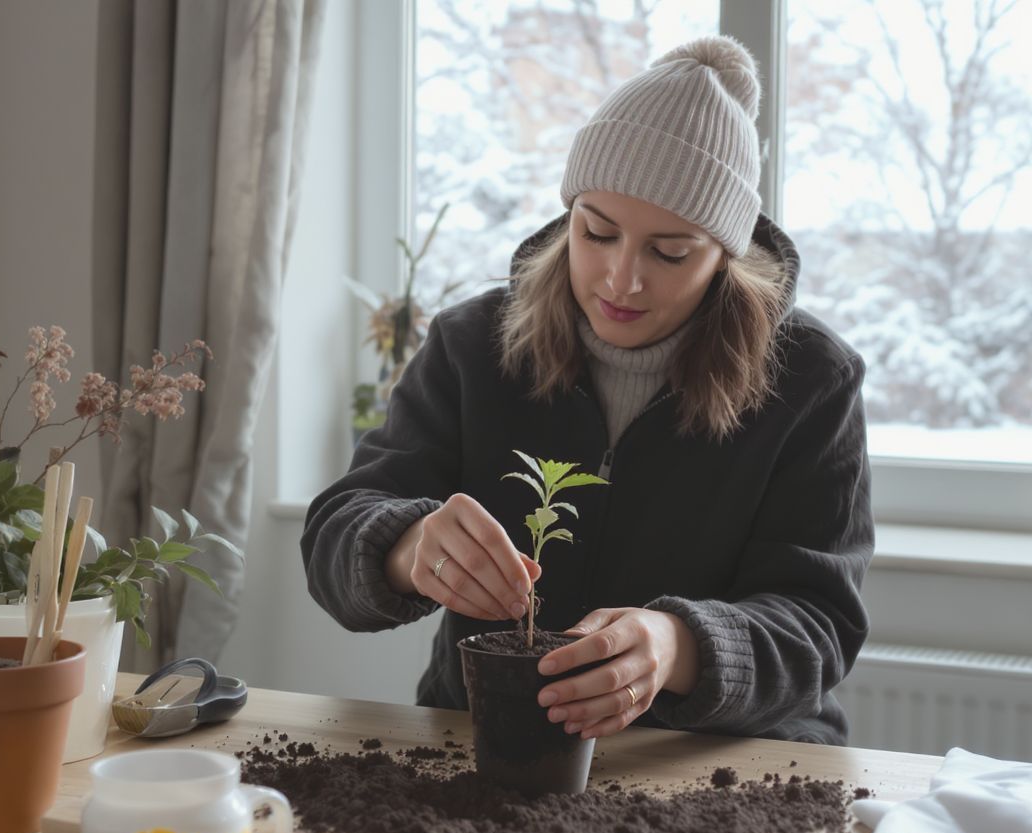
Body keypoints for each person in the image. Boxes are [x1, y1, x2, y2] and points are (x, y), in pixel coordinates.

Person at [303, 35, 872, 746]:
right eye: (596, 232)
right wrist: (407, 548)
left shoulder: (812, 380)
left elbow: (818, 626)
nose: (621, 279)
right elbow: (335, 530)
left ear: (727, 254)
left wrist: (676, 646)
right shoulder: (470, 345)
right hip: (492, 742)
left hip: (725, 761)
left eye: (670, 252)